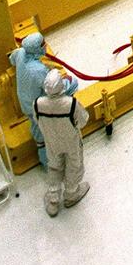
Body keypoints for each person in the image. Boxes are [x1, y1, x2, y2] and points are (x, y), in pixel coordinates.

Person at [9, 32, 78, 168]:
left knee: (37, 131)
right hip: (40, 107)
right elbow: (53, 89)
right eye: (42, 44)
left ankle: (44, 160)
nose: (44, 46)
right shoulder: (38, 70)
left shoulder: (20, 53)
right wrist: (68, 82)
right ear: (36, 48)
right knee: (73, 84)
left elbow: (12, 58)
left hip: (26, 104)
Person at [34, 68, 90, 216]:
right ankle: (71, 194)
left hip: (51, 142)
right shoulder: (70, 104)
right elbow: (83, 120)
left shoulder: (38, 103)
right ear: (62, 86)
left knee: (54, 167)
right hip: (71, 141)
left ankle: (53, 201)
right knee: (74, 165)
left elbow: (37, 120)